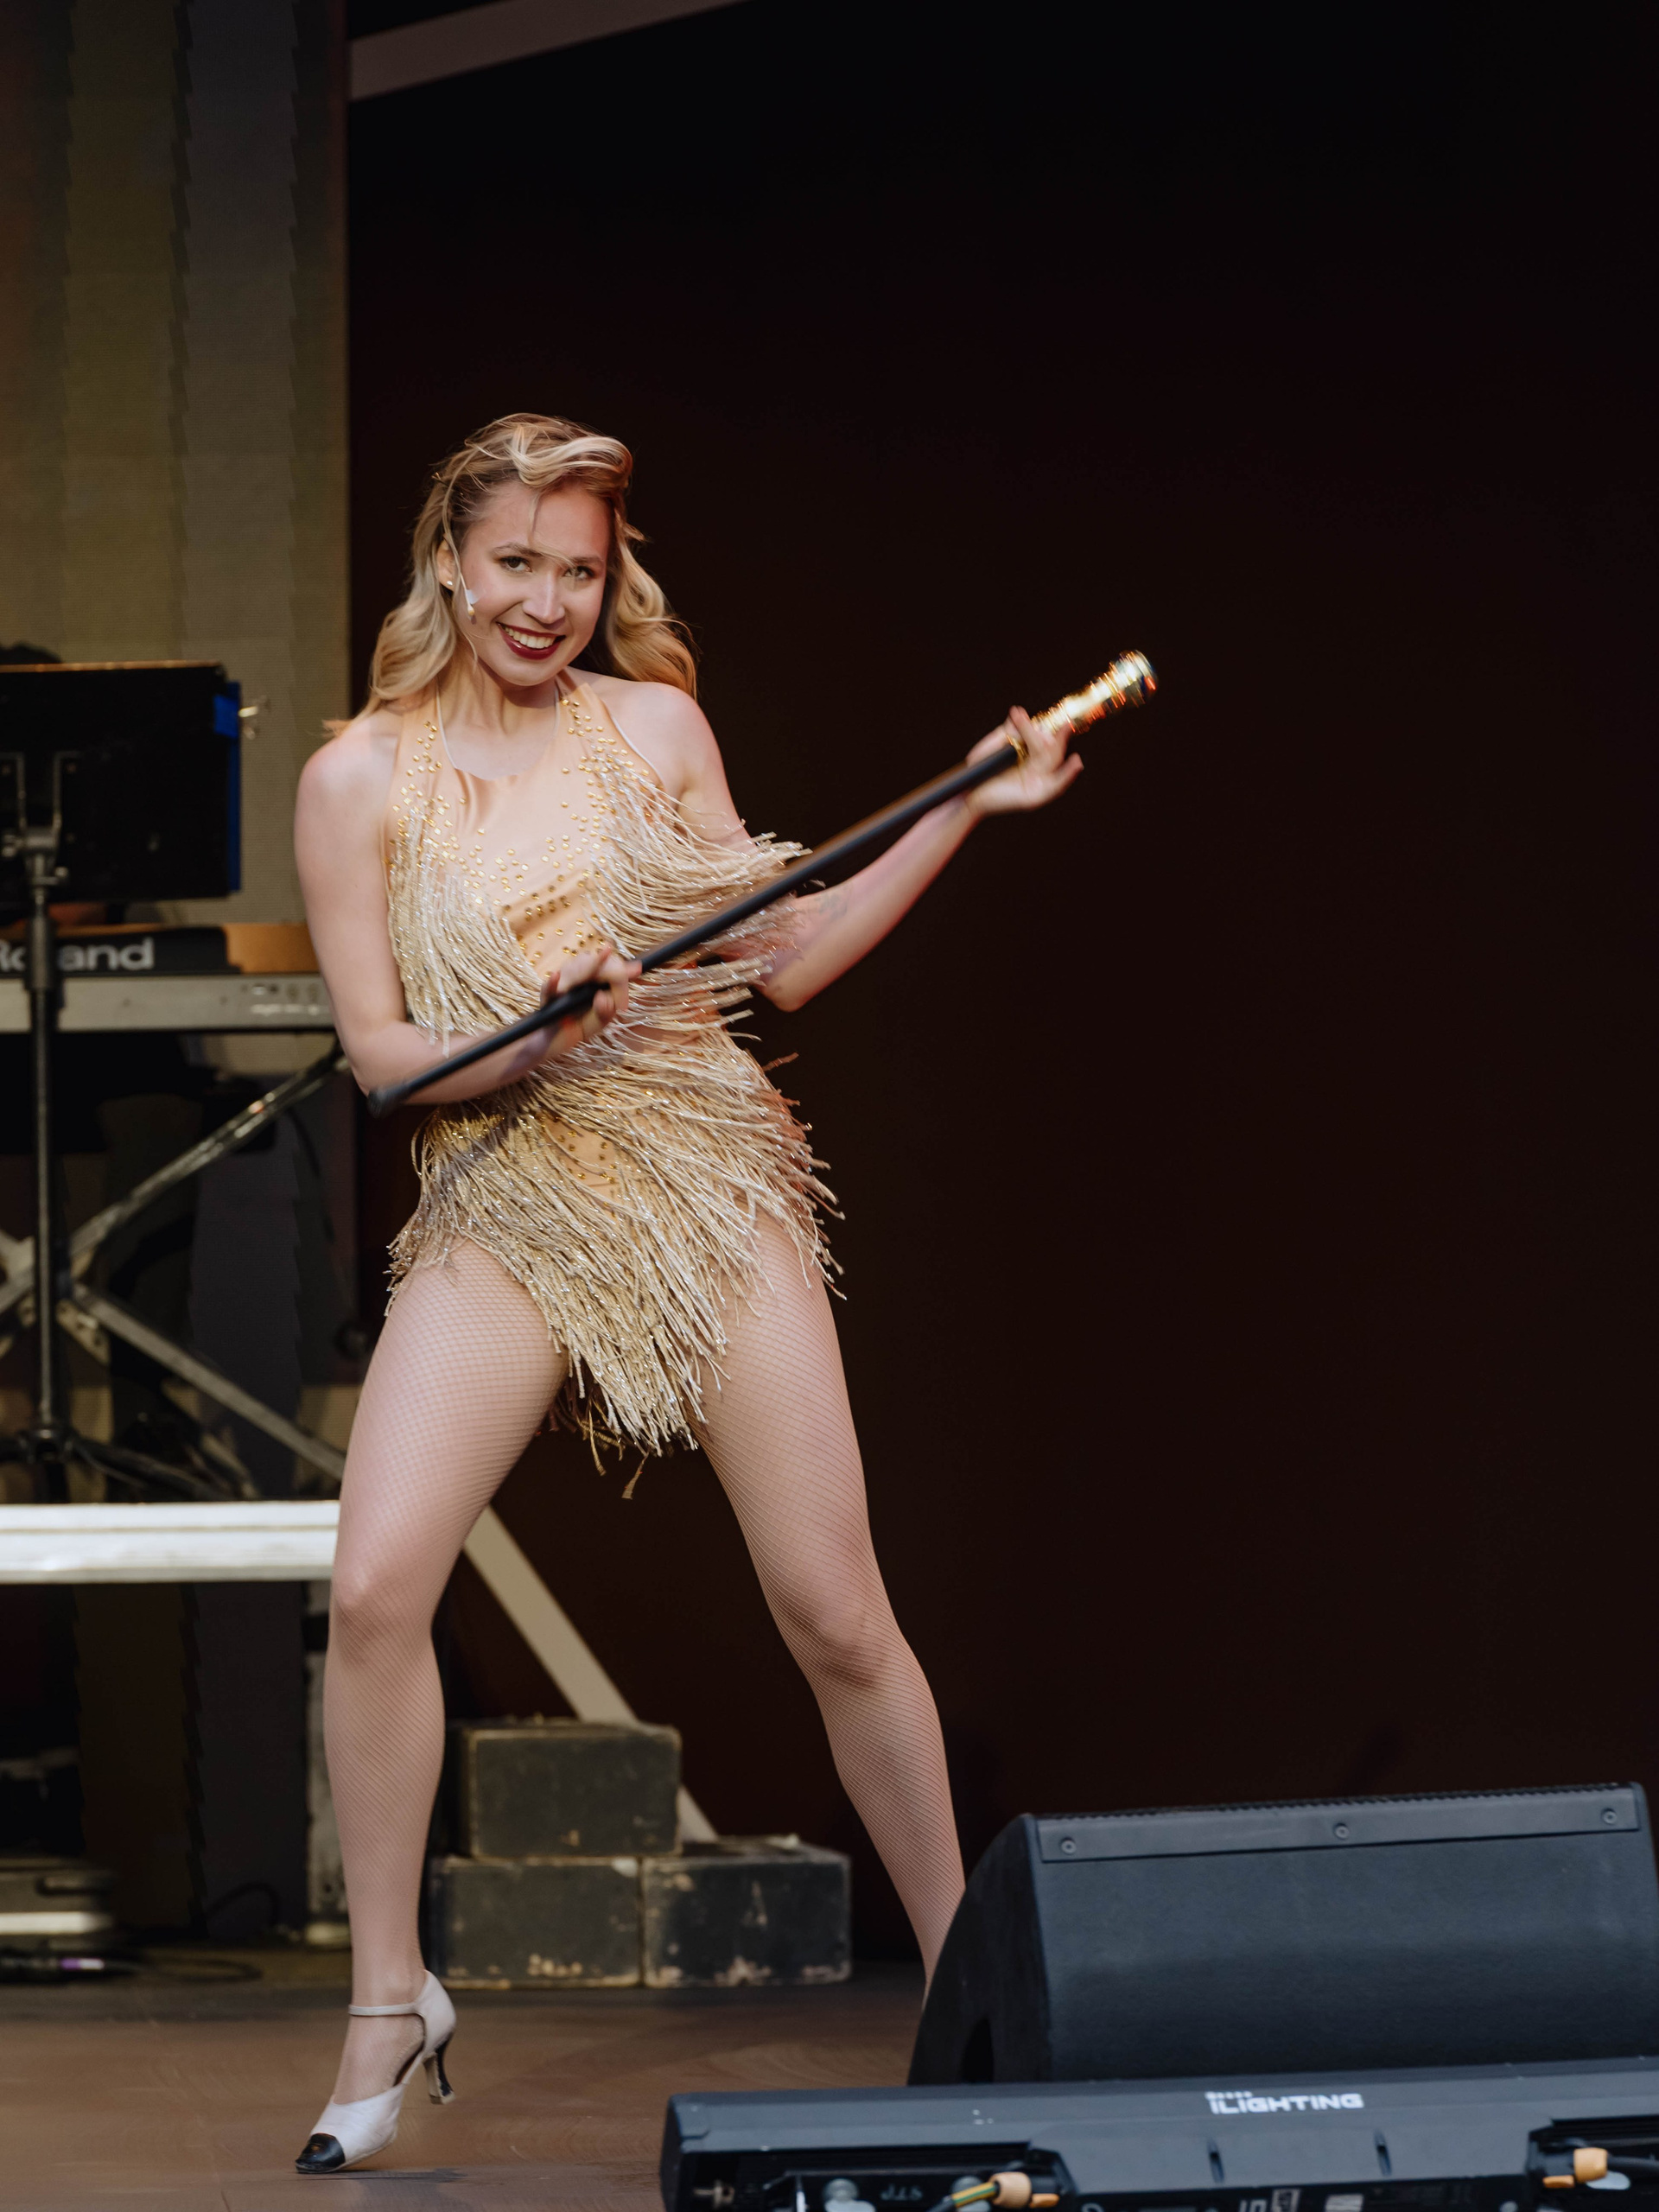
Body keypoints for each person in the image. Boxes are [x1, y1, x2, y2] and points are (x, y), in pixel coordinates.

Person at [291, 413, 1082, 2173]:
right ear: (449, 559)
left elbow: (782, 954)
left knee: (836, 1610)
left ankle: (981, 1986)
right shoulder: (356, 779)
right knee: (373, 1586)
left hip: (700, 1174)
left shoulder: (654, 728)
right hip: (509, 1186)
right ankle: (391, 1997)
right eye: (516, 562)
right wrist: (531, 1035)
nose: (546, 600)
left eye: (579, 570)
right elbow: (386, 1056)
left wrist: (966, 803)